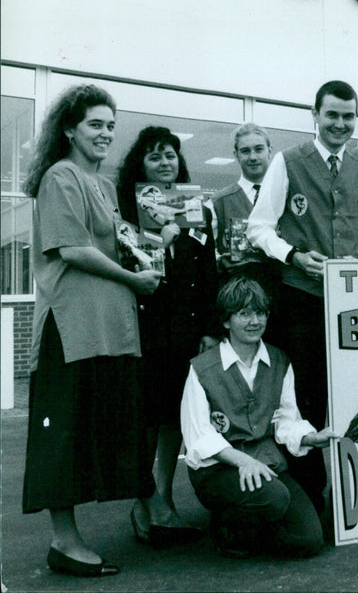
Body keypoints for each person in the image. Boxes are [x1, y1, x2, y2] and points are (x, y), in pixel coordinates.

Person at [21, 85, 162, 577]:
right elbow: (73, 250)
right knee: (63, 435)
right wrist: (133, 278)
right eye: (95, 124)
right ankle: (63, 541)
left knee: (90, 432)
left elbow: (113, 242)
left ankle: (84, 535)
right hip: (73, 329)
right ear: (69, 129)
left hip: (109, 329)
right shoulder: (62, 176)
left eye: (110, 125)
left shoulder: (99, 183)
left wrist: (152, 245)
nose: (105, 133)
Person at [247, 80, 358, 511]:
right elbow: (259, 228)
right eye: (332, 115)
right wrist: (292, 255)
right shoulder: (287, 161)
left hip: (353, 303)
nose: (341, 124)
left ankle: (357, 494)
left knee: (357, 393)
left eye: (349, 117)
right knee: (306, 396)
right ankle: (311, 496)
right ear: (315, 115)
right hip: (302, 298)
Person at [181, 277, 335, 558]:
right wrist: (242, 461)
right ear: (226, 321)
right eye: (244, 313)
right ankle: (229, 525)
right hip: (217, 470)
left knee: (310, 540)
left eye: (260, 312)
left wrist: (311, 437)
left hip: (266, 464)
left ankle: (245, 532)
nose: (255, 321)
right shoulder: (202, 368)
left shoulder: (279, 360)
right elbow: (198, 437)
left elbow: (285, 421)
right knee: (275, 498)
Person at [117, 126, 219, 543]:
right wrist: (162, 236)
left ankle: (163, 497)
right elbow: (134, 263)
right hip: (146, 325)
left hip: (188, 328)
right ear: (140, 163)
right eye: (156, 155)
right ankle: (144, 503)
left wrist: (212, 329)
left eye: (171, 155)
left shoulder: (196, 208)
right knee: (147, 415)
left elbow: (208, 271)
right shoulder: (125, 207)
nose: (165, 162)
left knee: (175, 416)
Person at [209, 123, 279, 294]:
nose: (253, 157)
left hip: (283, 296)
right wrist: (220, 261)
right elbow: (204, 253)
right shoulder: (218, 203)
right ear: (236, 155)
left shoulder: (285, 196)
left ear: (270, 151)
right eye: (245, 151)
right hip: (238, 300)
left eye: (259, 149)